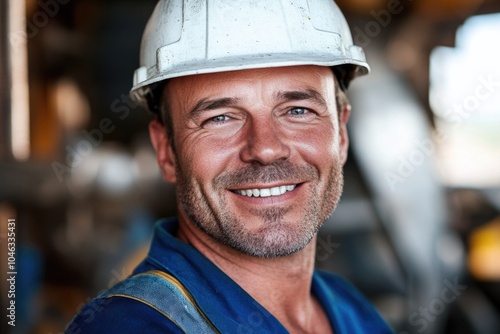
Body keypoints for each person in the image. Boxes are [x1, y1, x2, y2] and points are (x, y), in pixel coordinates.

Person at [68, 0, 394, 333]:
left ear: (341, 134)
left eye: (298, 110)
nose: (266, 148)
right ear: (166, 150)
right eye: (220, 118)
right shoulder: (128, 327)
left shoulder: (354, 312)